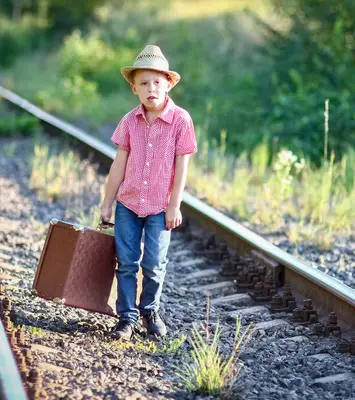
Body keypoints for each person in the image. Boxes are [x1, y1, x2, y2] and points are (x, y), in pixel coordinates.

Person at [100, 45, 197, 340]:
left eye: (157, 82)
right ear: (134, 89)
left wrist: (174, 205)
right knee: (126, 262)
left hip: (159, 206)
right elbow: (118, 165)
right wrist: (107, 203)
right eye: (143, 83)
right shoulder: (130, 121)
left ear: (168, 83)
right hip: (128, 203)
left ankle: (149, 311)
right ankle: (126, 318)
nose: (151, 88)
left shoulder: (181, 120)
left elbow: (182, 167)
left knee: (154, 264)